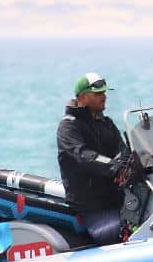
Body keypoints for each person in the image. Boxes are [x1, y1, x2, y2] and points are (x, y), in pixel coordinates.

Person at [57, 72, 134, 245]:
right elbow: (84, 156)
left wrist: (129, 164)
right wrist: (115, 166)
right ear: (83, 97)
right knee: (117, 233)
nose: (104, 97)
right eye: (98, 93)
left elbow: (124, 151)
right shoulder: (68, 127)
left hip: (117, 199)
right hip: (91, 207)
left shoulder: (106, 123)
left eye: (104, 93)